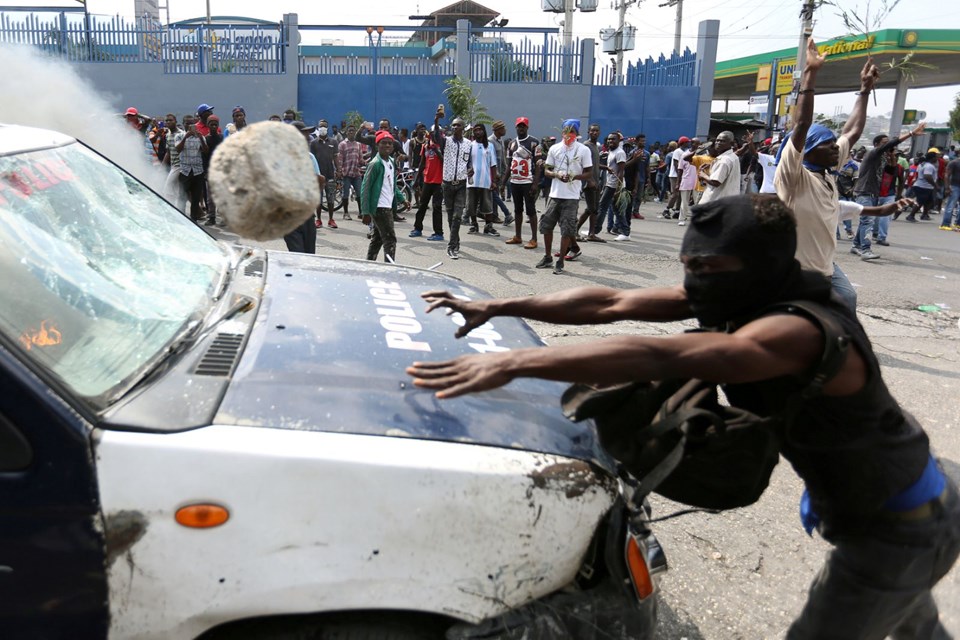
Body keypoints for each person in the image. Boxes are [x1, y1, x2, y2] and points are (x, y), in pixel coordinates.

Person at [407, 193, 960, 640]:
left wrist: (516, 363)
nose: (693, 281)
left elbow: (660, 354)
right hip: (890, 494)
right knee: (914, 621)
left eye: (707, 266)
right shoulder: (742, 292)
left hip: (898, 529)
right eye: (688, 265)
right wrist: (500, 306)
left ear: (759, 267)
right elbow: (611, 304)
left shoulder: (796, 330)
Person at [774, 36, 875, 311]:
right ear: (806, 151)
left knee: (848, 299)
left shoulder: (827, 172)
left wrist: (864, 90)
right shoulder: (793, 177)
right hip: (797, 270)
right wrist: (810, 73)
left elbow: (852, 132)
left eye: (833, 144)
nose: (835, 148)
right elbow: (803, 124)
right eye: (826, 144)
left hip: (825, 265)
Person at [851, 123, 926, 260]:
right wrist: (911, 134)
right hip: (864, 191)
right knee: (868, 221)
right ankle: (865, 250)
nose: (888, 145)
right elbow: (891, 143)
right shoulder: (872, 154)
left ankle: (856, 245)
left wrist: (891, 156)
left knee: (865, 221)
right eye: (885, 143)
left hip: (873, 193)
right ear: (877, 144)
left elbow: (892, 171)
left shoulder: (883, 158)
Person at [536, 119, 592, 275]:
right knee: (546, 226)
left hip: (571, 197)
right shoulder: (555, 149)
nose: (568, 135)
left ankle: (560, 260)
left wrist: (574, 176)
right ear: (562, 132)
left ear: (577, 134)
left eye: (572, 132)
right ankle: (547, 257)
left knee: (567, 229)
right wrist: (556, 174)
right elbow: (547, 171)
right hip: (554, 194)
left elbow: (589, 173)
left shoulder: (583, 150)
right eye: (566, 131)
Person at [361, 131, 410, 263]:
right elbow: (365, 188)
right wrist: (365, 211)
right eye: (384, 143)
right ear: (377, 146)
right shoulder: (375, 164)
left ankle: (369, 263)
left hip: (388, 205)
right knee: (390, 239)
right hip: (380, 207)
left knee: (377, 239)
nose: (387, 145)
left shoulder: (391, 162)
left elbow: (392, 185)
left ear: (393, 147)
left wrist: (402, 199)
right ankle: (389, 268)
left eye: (390, 143)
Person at [282, 121, 322, 254]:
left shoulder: (311, 158)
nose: (308, 138)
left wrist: (320, 182)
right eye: (304, 134)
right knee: (298, 256)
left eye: (308, 135)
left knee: (310, 256)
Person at [435, 114, 470, 260]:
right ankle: (456, 241)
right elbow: (437, 136)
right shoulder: (446, 141)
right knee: (450, 216)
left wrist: (471, 169)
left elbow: (469, 161)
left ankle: (451, 246)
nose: (455, 127)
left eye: (458, 125)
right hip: (447, 184)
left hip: (461, 184)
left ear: (463, 128)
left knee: (457, 216)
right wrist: (436, 120)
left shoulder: (469, 143)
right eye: (454, 125)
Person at [505, 116, 542, 249]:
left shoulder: (534, 142)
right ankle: (518, 236)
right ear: (516, 127)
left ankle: (534, 239)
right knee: (517, 209)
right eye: (519, 126)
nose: (521, 128)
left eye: (523, 126)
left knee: (531, 210)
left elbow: (538, 165)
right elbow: (509, 165)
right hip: (515, 182)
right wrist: (503, 183)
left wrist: (535, 184)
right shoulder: (512, 143)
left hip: (528, 181)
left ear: (527, 127)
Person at [410, 115, 445, 241]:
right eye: (433, 133)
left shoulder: (443, 145)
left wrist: (437, 150)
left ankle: (439, 233)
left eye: (437, 133)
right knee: (422, 205)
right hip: (427, 180)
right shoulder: (426, 146)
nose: (435, 135)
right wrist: (416, 180)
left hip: (438, 182)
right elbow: (422, 163)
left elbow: (445, 161)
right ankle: (417, 229)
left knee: (437, 207)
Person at [465, 123, 500, 237]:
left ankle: (488, 226)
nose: (478, 132)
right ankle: (474, 225)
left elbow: (493, 164)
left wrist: (494, 181)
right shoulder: (470, 145)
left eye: (480, 130)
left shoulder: (489, 146)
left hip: (485, 180)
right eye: (476, 130)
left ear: (484, 131)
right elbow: (466, 162)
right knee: (471, 204)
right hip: (472, 180)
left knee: (487, 204)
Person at [175, 115, 208, 221]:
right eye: (187, 123)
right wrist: (186, 137)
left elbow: (206, 151)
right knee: (182, 196)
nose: (189, 126)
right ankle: (181, 218)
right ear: (183, 124)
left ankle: (194, 219)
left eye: (191, 124)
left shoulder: (200, 136)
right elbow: (178, 149)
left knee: (196, 197)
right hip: (185, 170)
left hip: (198, 171)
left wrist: (201, 139)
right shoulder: (179, 136)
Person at [310, 121, 341, 229]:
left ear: (327, 128)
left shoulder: (333, 141)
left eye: (324, 126)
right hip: (318, 176)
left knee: (331, 198)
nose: (323, 128)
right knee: (318, 199)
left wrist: (339, 169)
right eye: (321, 126)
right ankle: (318, 220)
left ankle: (331, 219)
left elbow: (336, 157)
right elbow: (311, 159)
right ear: (318, 128)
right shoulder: (313, 143)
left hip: (330, 174)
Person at [699, 131, 743, 204]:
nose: (718, 143)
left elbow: (715, 182)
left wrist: (702, 175)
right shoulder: (732, 156)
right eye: (717, 140)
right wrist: (713, 165)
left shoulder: (724, 160)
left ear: (731, 144)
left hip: (716, 201)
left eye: (722, 141)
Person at [597, 133, 627, 240]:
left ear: (619, 140)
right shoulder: (611, 152)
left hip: (614, 185)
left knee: (602, 206)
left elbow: (621, 172)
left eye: (613, 139)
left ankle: (595, 230)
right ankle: (625, 231)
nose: (610, 141)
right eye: (609, 139)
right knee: (616, 209)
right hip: (609, 184)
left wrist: (618, 189)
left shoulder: (620, 153)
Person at [579, 124, 603, 240]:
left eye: (597, 131)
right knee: (590, 208)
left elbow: (594, 164)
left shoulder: (595, 146)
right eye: (592, 131)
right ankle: (574, 230)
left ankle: (591, 233)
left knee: (595, 209)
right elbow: (583, 165)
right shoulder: (586, 146)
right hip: (589, 182)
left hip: (596, 181)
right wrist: (589, 180)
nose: (595, 133)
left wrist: (605, 168)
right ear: (588, 132)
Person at [338, 125, 365, 222]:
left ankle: (361, 212)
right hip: (346, 173)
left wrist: (364, 162)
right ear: (346, 132)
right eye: (349, 131)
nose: (351, 132)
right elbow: (340, 159)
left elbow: (360, 158)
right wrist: (339, 171)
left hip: (356, 173)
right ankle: (346, 213)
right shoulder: (342, 144)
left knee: (360, 193)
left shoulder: (358, 144)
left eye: (353, 131)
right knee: (345, 194)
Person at [489, 120, 513, 225]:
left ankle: (494, 215)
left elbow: (502, 158)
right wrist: (496, 173)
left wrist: (506, 171)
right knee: (494, 195)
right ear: (497, 130)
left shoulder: (501, 140)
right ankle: (503, 214)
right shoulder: (490, 141)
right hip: (493, 174)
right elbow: (491, 159)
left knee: (495, 195)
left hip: (500, 174)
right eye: (503, 128)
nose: (505, 130)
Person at [201, 115, 223, 226]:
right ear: (208, 125)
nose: (213, 126)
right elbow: (204, 156)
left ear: (218, 125)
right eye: (211, 124)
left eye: (215, 124)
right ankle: (211, 217)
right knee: (210, 196)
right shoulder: (205, 139)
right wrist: (205, 171)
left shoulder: (221, 138)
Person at [908, 149, 940, 222]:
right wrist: (935, 185)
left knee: (929, 201)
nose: (937, 158)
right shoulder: (929, 166)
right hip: (924, 186)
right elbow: (927, 176)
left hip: (924, 186)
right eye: (936, 157)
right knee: (920, 201)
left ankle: (924, 215)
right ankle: (911, 215)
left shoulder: (922, 164)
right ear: (932, 158)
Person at [940, 152, 960, 230]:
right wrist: (947, 187)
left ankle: (958, 224)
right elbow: (947, 175)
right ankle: (945, 224)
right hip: (955, 186)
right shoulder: (954, 162)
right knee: (950, 205)